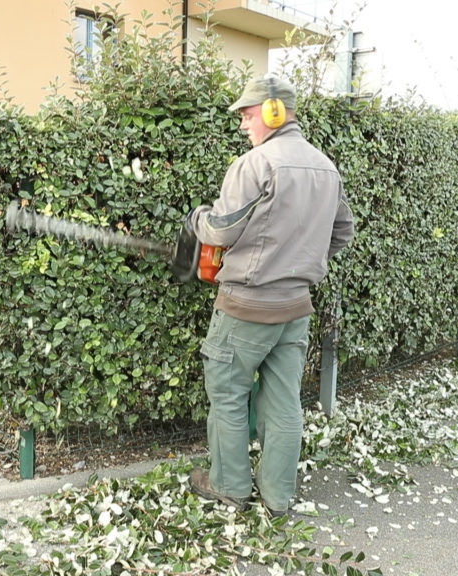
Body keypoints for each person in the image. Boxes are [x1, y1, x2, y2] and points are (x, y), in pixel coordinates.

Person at [186, 75, 355, 517]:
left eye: (246, 114)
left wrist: (199, 218)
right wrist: (298, 261)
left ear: (273, 111)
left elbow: (221, 230)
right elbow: (343, 233)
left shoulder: (255, 164)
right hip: (295, 309)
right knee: (283, 402)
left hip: (246, 307)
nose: (243, 124)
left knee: (227, 394)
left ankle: (230, 487)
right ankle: (278, 497)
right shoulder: (326, 167)